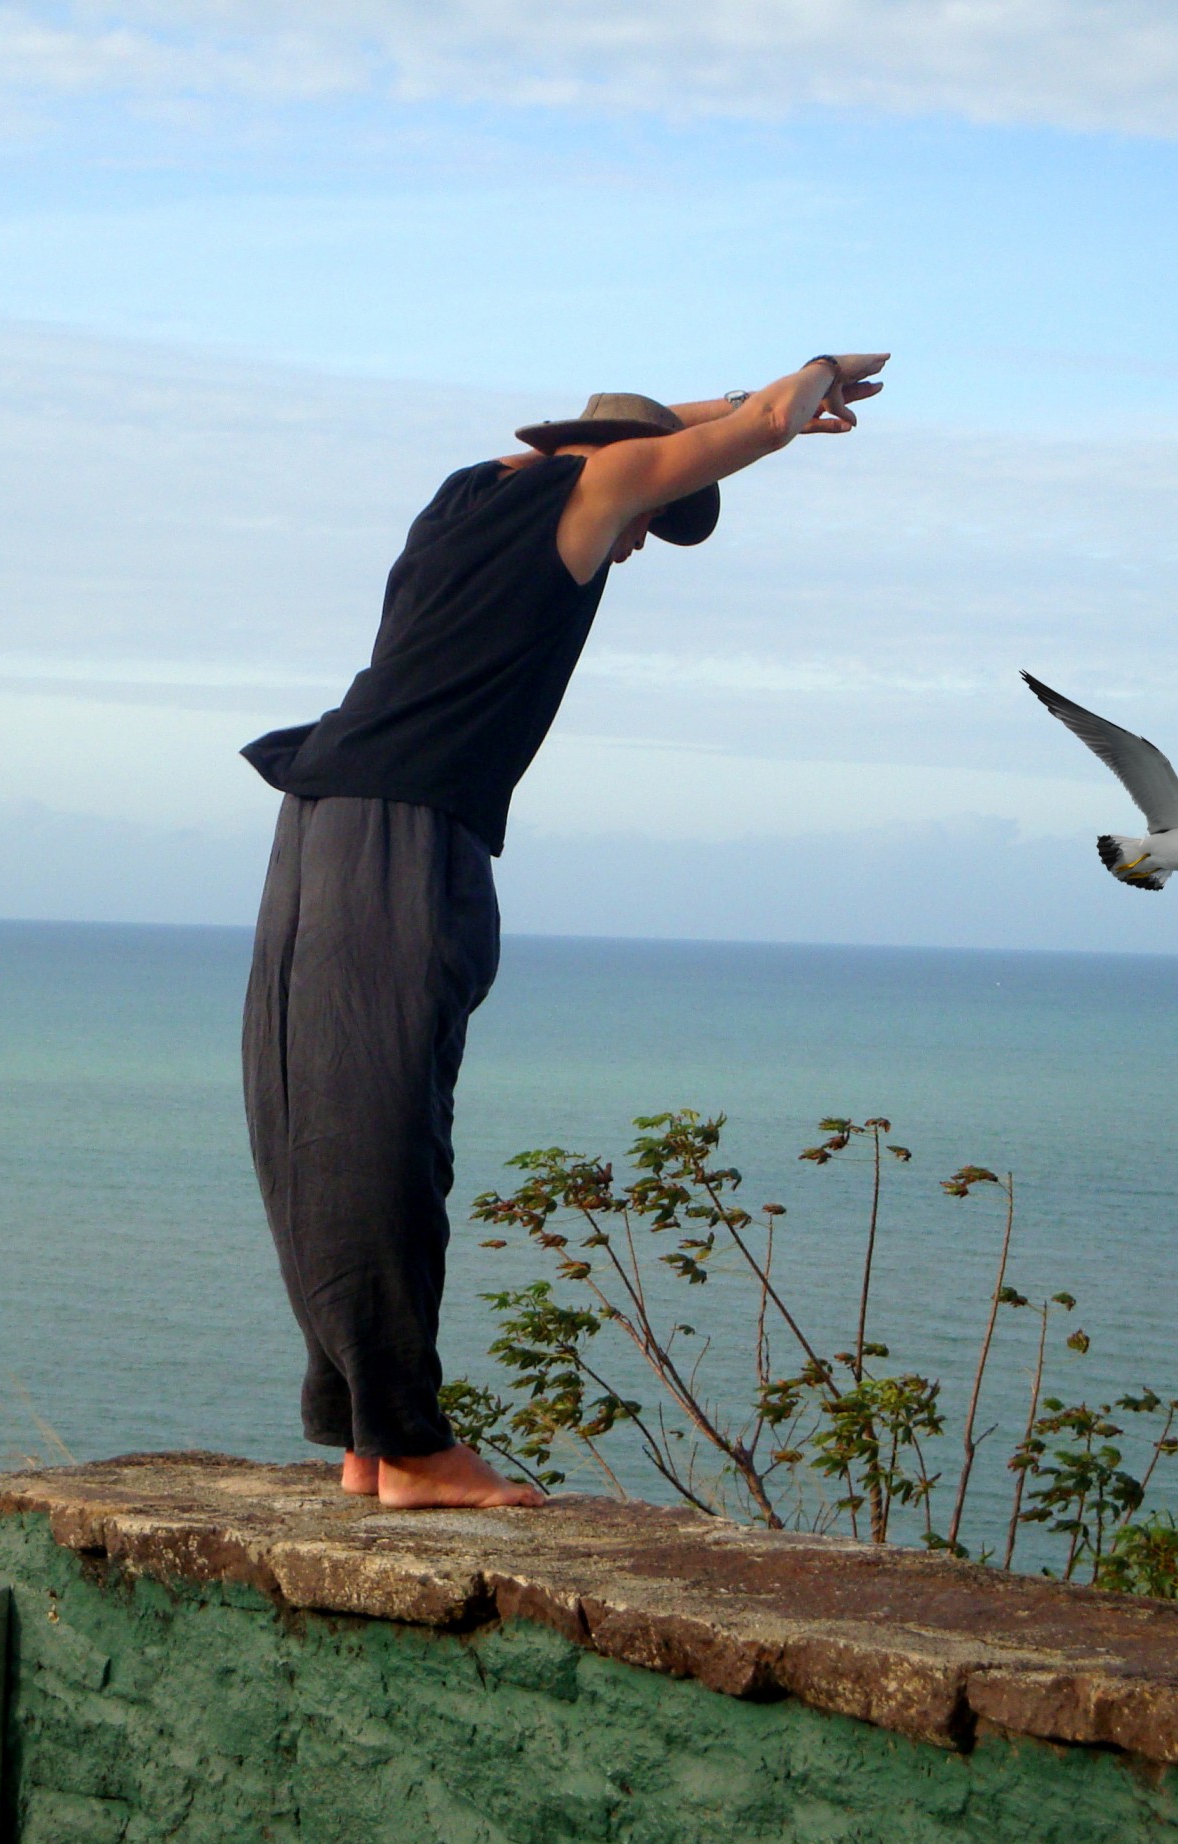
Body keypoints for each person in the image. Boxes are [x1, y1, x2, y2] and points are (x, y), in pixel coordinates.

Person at [239, 353, 890, 1510]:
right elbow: (749, 432)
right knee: (389, 1130)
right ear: (619, 474)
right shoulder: (596, 489)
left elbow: (614, 433)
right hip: (407, 826)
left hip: (322, 815)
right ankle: (412, 1446)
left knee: (315, 1118)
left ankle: (363, 1435)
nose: (636, 541)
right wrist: (809, 379)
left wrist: (733, 396)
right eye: (649, 518)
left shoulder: (468, 488)